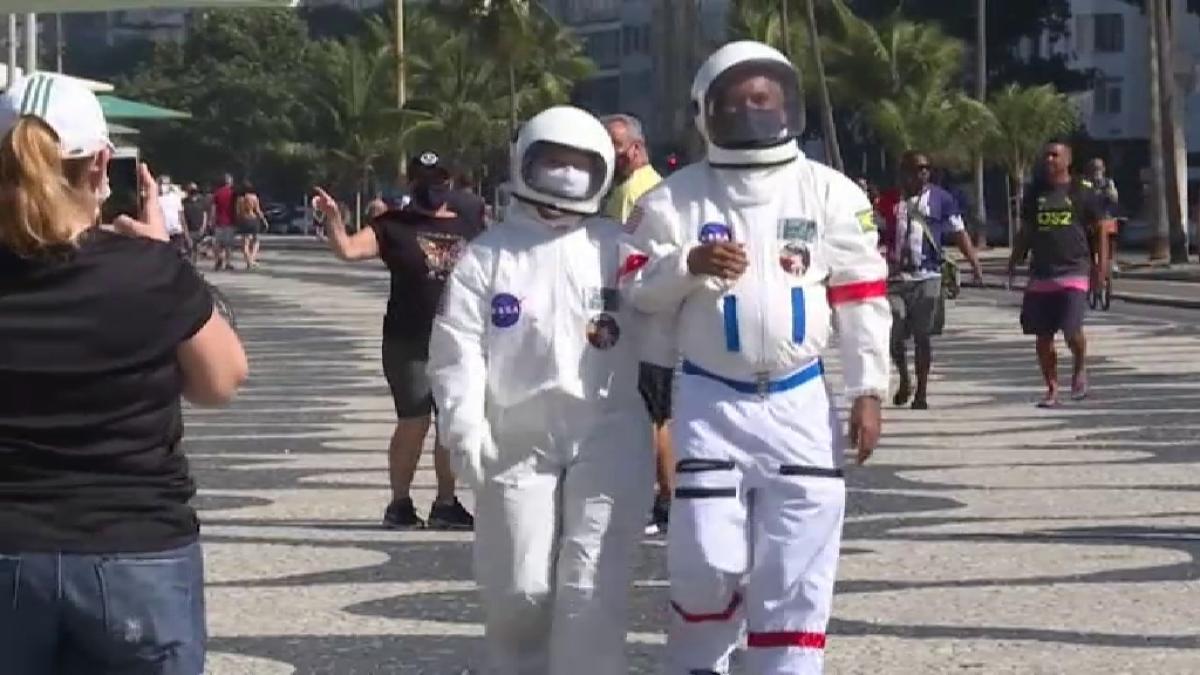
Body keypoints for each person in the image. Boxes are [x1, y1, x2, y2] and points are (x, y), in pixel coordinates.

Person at [620, 41, 889, 674]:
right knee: (706, 560)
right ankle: (700, 657)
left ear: (789, 105)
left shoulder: (828, 192)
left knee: (798, 567)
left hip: (800, 398)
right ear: (706, 110)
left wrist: (869, 389)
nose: (752, 111)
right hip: (711, 399)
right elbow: (635, 289)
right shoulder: (674, 200)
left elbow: (862, 297)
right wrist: (688, 265)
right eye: (737, 101)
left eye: (764, 99)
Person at [0, 73, 248, 674]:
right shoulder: (148, 271)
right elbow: (221, 381)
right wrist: (167, 261)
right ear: (101, 165)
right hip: (136, 548)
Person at [427, 105, 653, 674]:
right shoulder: (488, 255)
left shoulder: (619, 249)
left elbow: (666, 313)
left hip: (609, 431)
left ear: (602, 170)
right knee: (518, 592)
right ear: (525, 162)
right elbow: (457, 350)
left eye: (579, 164)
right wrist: (464, 427)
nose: (565, 175)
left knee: (590, 590)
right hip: (516, 436)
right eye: (552, 161)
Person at [314, 150, 477, 530]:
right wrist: (334, 219)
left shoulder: (469, 226)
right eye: (422, 180)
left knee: (452, 422)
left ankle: (446, 502)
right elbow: (349, 250)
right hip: (408, 339)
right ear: (411, 184)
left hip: (459, 340)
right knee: (414, 419)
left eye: (437, 180)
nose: (431, 188)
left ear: (449, 182)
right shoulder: (392, 225)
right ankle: (399, 503)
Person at [602, 112, 674, 535]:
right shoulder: (654, 188)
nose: (609, 155)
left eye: (615, 145)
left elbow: (621, 261)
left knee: (651, 415)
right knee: (658, 413)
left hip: (641, 321)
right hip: (655, 319)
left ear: (636, 147)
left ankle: (662, 498)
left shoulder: (635, 195)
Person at [1007, 141, 1107, 408]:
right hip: (1041, 273)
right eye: (1046, 155)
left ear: (1068, 160)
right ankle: (1052, 387)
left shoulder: (1082, 190)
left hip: (1074, 269)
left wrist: (1102, 267)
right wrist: (1014, 261)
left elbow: (1100, 230)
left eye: (1055, 155)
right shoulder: (1035, 193)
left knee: (1072, 330)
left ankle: (1079, 367)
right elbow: (1026, 231)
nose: (1049, 159)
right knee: (1043, 338)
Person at [885, 152, 983, 410]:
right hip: (895, 277)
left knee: (922, 336)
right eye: (916, 169)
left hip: (928, 276)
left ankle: (922, 392)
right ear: (904, 172)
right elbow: (873, 231)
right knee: (893, 327)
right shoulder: (890, 200)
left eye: (926, 169)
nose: (922, 174)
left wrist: (974, 263)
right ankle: (904, 378)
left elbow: (959, 232)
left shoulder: (942, 199)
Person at [1081, 157, 1120, 273]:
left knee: (1113, 232)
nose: (1096, 172)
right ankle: (1089, 261)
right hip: (1090, 219)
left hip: (1106, 217)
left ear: (1103, 169)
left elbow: (1114, 198)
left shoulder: (1108, 183)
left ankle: (1111, 260)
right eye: (1093, 169)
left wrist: (1110, 192)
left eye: (1098, 168)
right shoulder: (1085, 184)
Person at [234, 181, 266, 270]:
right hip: (253, 219)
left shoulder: (239, 199)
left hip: (244, 220)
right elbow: (258, 211)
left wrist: (238, 222)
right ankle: (252, 259)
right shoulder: (254, 197)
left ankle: (249, 261)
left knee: (245, 243)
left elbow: (237, 212)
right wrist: (264, 220)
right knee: (256, 241)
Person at [211, 173, 236, 271]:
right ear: (230, 182)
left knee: (217, 243)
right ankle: (228, 263)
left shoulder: (217, 193)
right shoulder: (233, 193)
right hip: (230, 221)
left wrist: (211, 220)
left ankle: (218, 259)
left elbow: (213, 208)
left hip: (219, 222)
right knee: (228, 244)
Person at [159, 174, 188, 258]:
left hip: (176, 232)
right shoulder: (156, 199)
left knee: (177, 256)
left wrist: (186, 233)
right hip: (163, 233)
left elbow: (181, 216)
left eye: (165, 183)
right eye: (161, 183)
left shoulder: (176, 198)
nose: (162, 186)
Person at [183, 181, 210, 261]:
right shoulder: (184, 202)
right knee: (189, 249)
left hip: (199, 229)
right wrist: (185, 231)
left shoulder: (202, 201)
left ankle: (194, 265)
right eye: (191, 190)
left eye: (194, 190)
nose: (193, 192)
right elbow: (182, 217)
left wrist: (203, 227)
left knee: (196, 249)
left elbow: (205, 215)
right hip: (189, 229)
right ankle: (190, 265)